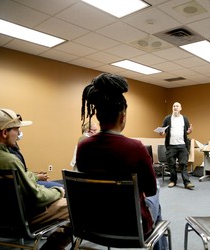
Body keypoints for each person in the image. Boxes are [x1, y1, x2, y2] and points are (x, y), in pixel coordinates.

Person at [76, 73, 168, 250]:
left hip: (95, 222)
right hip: (133, 225)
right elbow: (149, 189)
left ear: (99, 116)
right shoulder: (136, 147)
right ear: (123, 116)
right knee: (157, 194)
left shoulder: (83, 146)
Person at [0, 108, 72, 250]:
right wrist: (58, 191)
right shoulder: (10, 161)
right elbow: (37, 197)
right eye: (16, 130)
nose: (18, 134)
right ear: (5, 133)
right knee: (73, 207)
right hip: (18, 222)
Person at [160, 102, 194, 189]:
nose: (175, 107)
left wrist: (189, 131)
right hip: (171, 146)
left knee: (183, 164)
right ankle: (173, 181)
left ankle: (187, 183)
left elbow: (187, 131)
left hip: (182, 145)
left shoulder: (184, 118)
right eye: (174, 106)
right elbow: (163, 130)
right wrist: (161, 132)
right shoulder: (167, 118)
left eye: (177, 106)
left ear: (180, 108)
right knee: (171, 165)